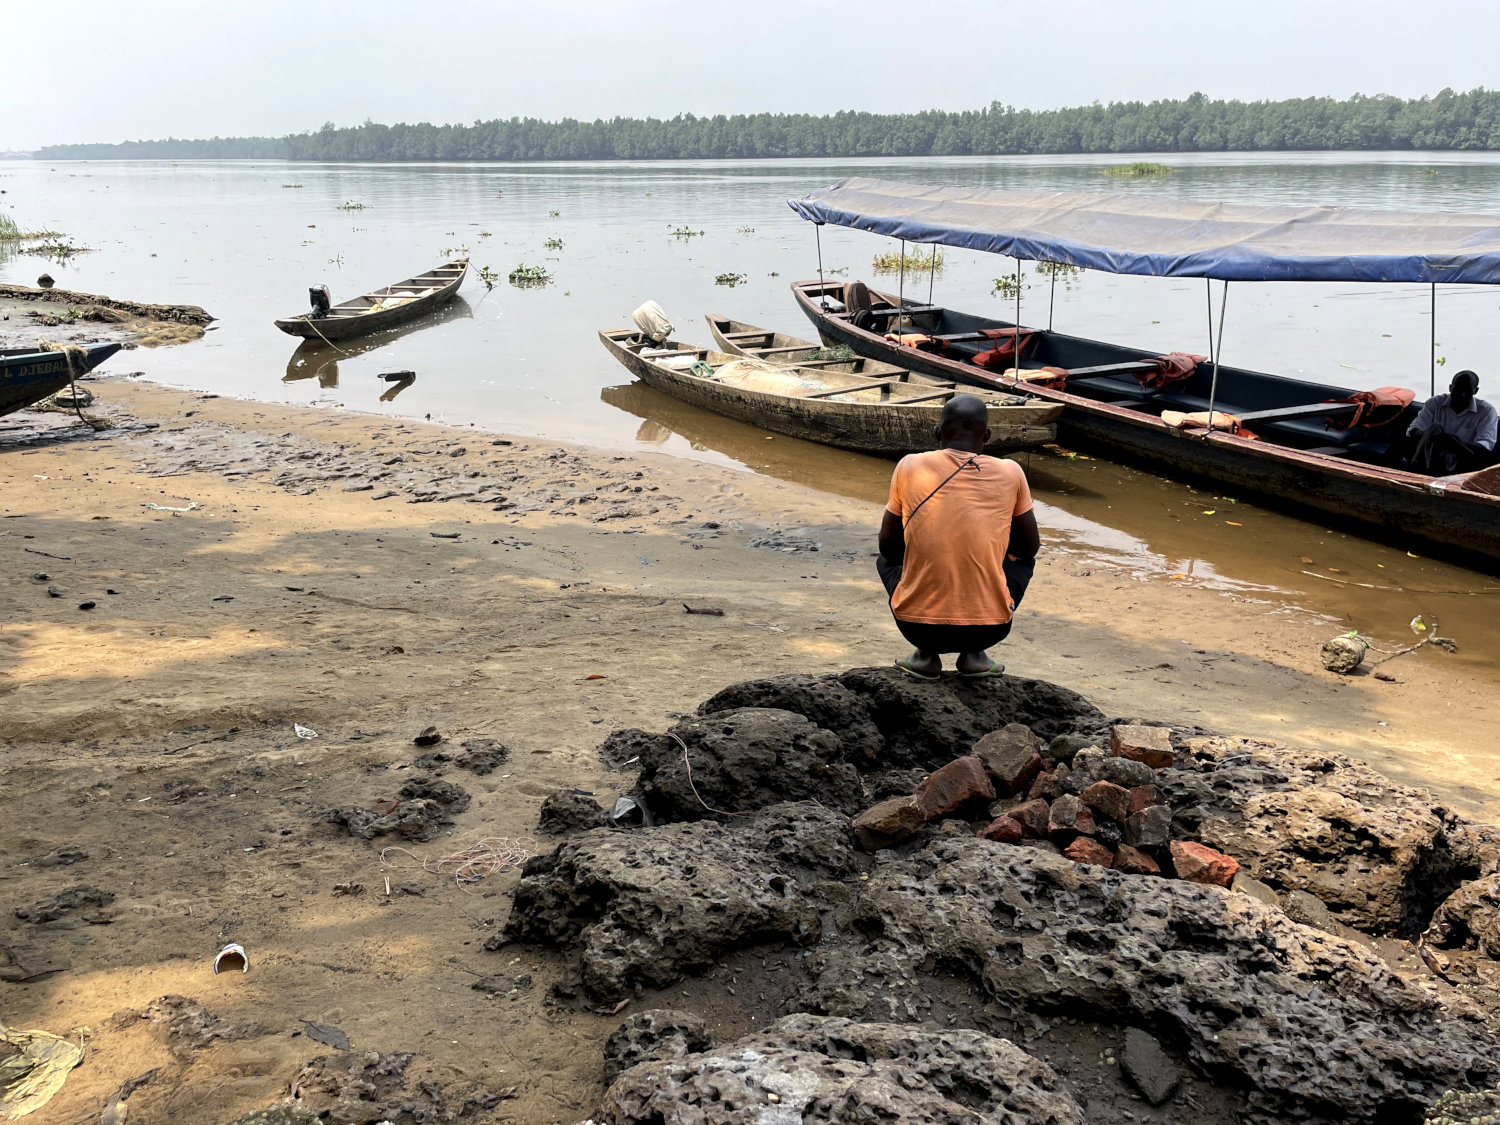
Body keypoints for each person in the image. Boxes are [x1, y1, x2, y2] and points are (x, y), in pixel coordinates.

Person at [877, 394, 1040, 680]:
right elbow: (1029, 547)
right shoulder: (1011, 471)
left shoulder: (909, 466)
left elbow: (888, 546)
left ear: (937, 432)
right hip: (990, 629)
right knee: (1022, 561)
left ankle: (925, 656)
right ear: (987, 435)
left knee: (886, 560)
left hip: (916, 626)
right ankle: (974, 656)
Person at [1385, 370, 1497, 475]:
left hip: (1462, 461)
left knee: (1487, 459)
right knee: (1403, 442)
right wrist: (1434, 436)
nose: (1462, 395)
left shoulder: (1486, 411)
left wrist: (1454, 442)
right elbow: (1414, 430)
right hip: (1429, 456)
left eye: (1468, 391)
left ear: (1476, 391)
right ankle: (1380, 478)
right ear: (1450, 388)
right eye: (1457, 390)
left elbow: (1484, 445)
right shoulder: (1435, 403)